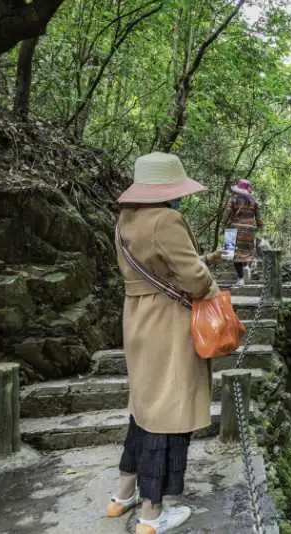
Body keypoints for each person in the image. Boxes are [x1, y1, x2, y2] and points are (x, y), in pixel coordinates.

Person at [111, 152, 219, 534]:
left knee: (144, 406)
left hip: (138, 317)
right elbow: (195, 281)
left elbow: (153, 266)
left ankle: (121, 494)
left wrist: (200, 259)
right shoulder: (167, 218)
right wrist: (205, 270)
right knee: (167, 411)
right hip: (167, 323)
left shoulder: (126, 219)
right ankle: (152, 516)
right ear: (169, 190)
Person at [222, 179, 263, 287]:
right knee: (246, 253)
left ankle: (240, 279)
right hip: (249, 230)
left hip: (233, 228)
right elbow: (258, 218)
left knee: (234, 255)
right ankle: (246, 267)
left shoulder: (233, 200)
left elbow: (226, 213)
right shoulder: (254, 201)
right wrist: (259, 226)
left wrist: (224, 224)